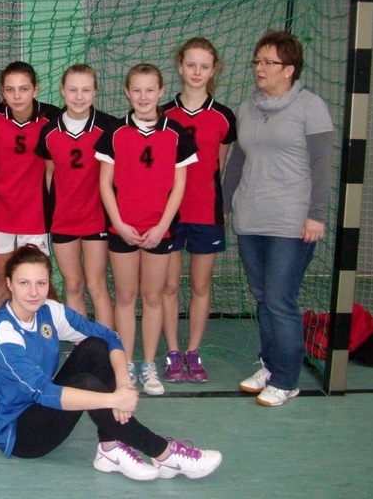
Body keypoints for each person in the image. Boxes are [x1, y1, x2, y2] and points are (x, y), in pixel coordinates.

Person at [0, 245, 221, 481]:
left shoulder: (49, 311)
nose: (33, 292)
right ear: (10, 283)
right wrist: (114, 400)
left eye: (41, 283)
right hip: (20, 434)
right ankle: (163, 452)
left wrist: (124, 384)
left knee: (96, 347)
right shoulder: (2, 333)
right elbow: (43, 392)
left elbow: (109, 337)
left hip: (43, 406)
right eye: (24, 283)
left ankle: (110, 447)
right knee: (85, 382)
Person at [223, 30, 334, 407]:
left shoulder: (311, 107)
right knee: (263, 299)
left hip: (291, 222)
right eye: (257, 61)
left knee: (279, 299)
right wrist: (225, 205)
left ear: (288, 69)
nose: (260, 68)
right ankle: (271, 367)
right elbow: (237, 162)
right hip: (251, 219)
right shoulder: (247, 108)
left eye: (268, 62)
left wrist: (316, 215)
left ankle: (287, 380)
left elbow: (322, 167)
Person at [95, 64, 197, 395]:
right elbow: (105, 184)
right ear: (127, 92)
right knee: (125, 296)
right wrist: (119, 224)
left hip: (159, 231)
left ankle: (149, 364)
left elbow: (179, 186)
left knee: (152, 297)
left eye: (150, 90)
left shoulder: (177, 134)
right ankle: (125, 363)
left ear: (161, 91)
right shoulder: (114, 133)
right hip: (122, 230)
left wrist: (162, 225)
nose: (143, 97)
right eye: (136, 90)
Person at [161, 39, 236, 383]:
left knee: (201, 286)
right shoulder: (163, 114)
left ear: (213, 70)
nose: (196, 72)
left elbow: (218, 167)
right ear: (180, 66)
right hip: (170, 215)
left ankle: (193, 352)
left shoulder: (224, 117)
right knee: (169, 286)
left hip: (206, 213)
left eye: (204, 66)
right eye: (191, 65)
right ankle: (173, 354)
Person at [34, 64, 115, 328]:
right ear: (62, 90)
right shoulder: (49, 131)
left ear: (95, 92)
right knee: (73, 284)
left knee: (96, 284)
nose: (79, 97)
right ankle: (82, 344)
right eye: (73, 90)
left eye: (86, 90)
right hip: (63, 219)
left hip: (96, 217)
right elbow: (50, 174)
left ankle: (106, 343)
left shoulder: (108, 127)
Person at [0, 61, 60, 309]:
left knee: (38, 281)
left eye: (24, 89)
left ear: (36, 89)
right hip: (0, 211)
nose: (17, 96)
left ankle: (42, 329)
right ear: (2, 92)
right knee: (2, 278)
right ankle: (2, 329)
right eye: (10, 90)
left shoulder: (51, 120)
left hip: (35, 213)